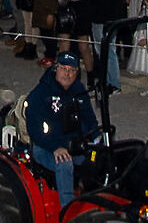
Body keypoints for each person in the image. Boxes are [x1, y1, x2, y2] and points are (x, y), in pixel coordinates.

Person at [22, 54, 98, 204]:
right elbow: (34, 128)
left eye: (71, 70)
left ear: (77, 72)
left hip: (74, 145)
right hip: (46, 147)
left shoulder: (79, 90)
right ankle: (67, 211)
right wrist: (55, 147)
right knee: (64, 163)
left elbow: (90, 119)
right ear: (56, 68)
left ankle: (93, 201)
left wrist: (97, 138)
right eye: (63, 68)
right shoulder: (41, 92)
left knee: (98, 158)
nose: (67, 74)